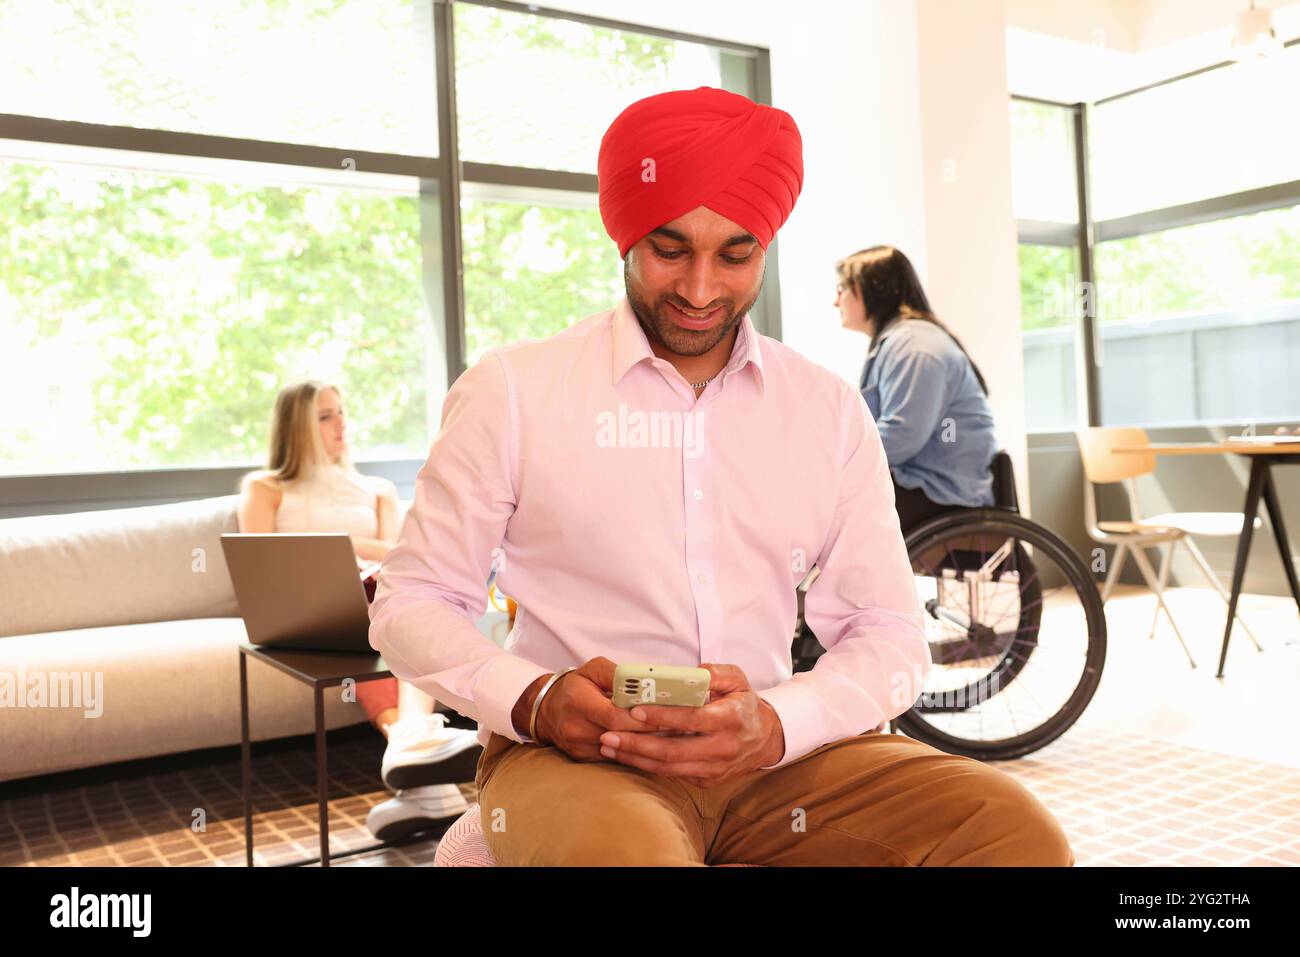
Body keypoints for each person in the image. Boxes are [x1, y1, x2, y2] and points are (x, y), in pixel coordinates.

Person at [369, 86, 1074, 866]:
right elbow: (412, 600)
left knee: (1017, 835)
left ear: (765, 249)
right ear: (625, 239)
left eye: (734, 254)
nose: (701, 289)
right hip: (577, 758)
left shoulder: (827, 411)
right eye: (671, 249)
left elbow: (888, 633)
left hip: (775, 760)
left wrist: (777, 722)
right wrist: (535, 701)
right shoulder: (513, 391)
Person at [237, 379, 481, 840]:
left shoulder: (377, 489)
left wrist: (344, 547)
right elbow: (260, 563)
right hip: (307, 604)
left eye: (342, 412)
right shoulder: (266, 487)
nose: (341, 423)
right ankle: (419, 739)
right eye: (325, 415)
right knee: (395, 610)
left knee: (406, 603)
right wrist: (346, 548)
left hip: (377, 596)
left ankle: (413, 751)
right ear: (297, 427)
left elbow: (399, 553)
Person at [834, 245, 999, 532]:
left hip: (941, 491)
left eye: (842, 289)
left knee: (827, 511)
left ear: (871, 290)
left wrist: (833, 460)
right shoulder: (900, 342)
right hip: (925, 482)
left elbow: (901, 437)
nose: (836, 301)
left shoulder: (914, 349)